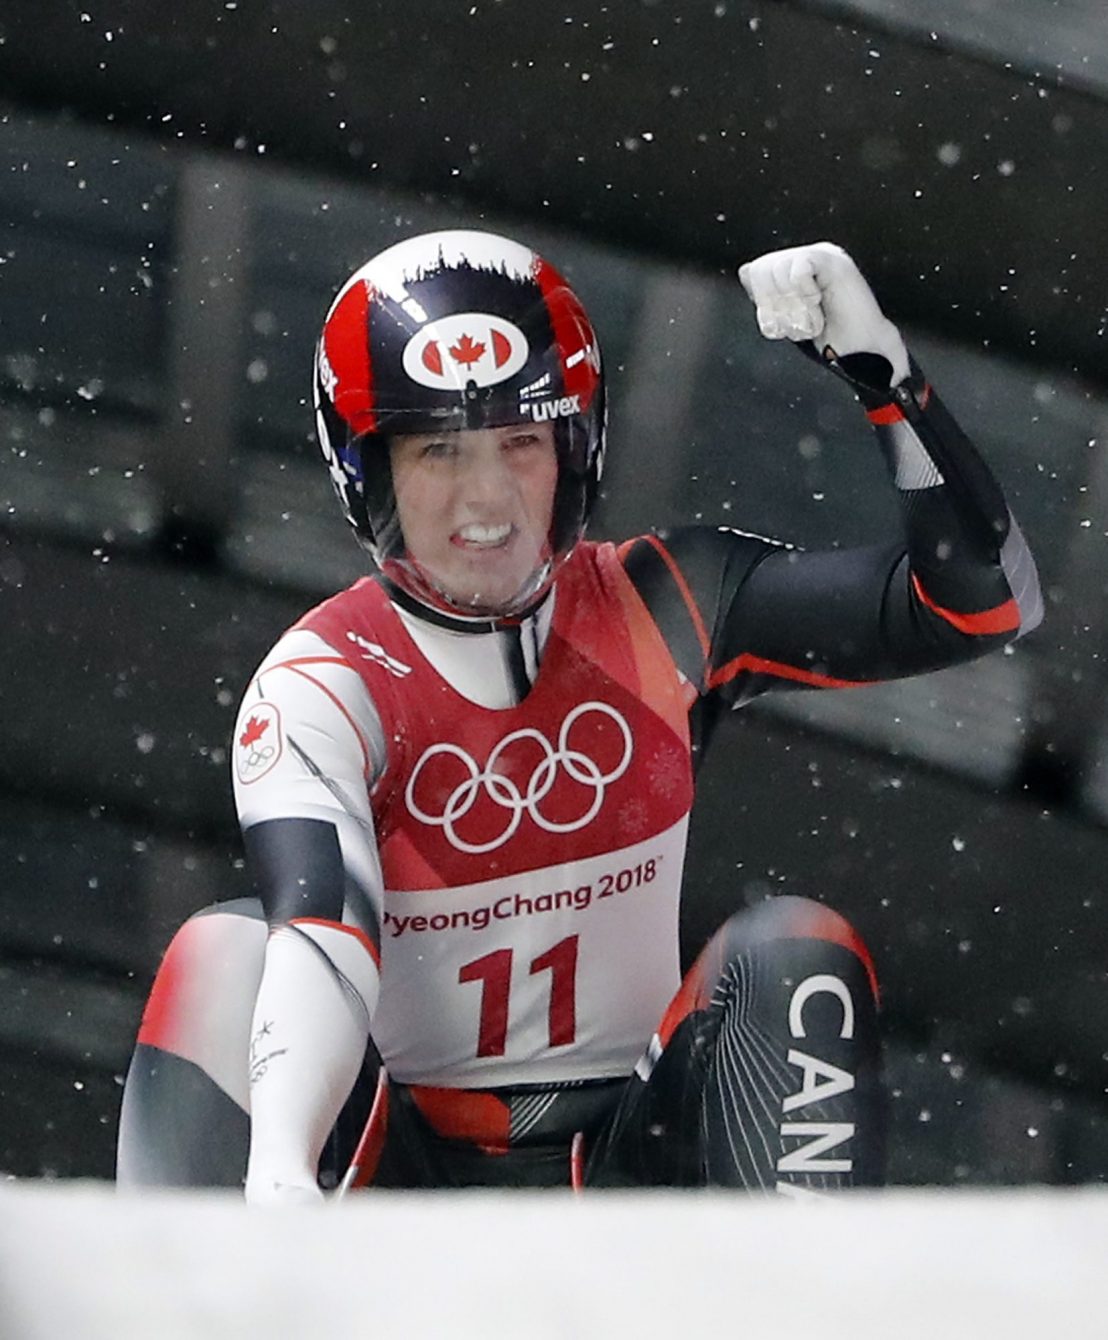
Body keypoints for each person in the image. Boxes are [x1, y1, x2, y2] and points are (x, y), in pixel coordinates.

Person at [116, 230, 1041, 1201]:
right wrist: (278, 1175)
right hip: (393, 1174)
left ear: (576, 448)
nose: (486, 496)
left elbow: (984, 601)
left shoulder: (672, 603)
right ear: (365, 469)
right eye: (437, 449)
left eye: (520, 441)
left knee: (795, 953)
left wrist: (885, 374)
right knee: (222, 952)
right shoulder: (320, 680)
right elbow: (321, 932)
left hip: (625, 1169)